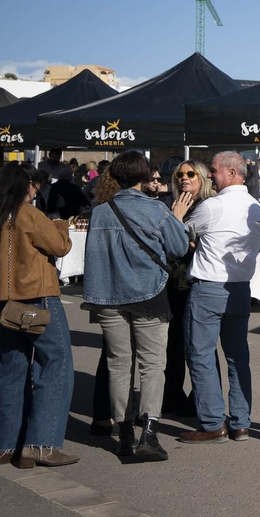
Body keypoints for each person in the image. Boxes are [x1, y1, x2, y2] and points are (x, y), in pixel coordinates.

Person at [83, 150, 190, 462]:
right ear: (145, 177)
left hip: (107, 295)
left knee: (119, 363)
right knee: (152, 363)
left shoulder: (101, 211)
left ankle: (125, 432)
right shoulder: (155, 209)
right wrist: (178, 219)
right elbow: (179, 247)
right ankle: (149, 433)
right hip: (148, 292)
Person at [0, 163, 77, 468]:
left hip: (1, 300)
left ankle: (5, 446)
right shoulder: (28, 213)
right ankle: (41, 444)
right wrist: (61, 225)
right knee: (55, 364)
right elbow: (60, 246)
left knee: (10, 368)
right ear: (25, 186)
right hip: (36, 298)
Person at [180, 152, 260, 443]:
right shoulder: (256, 206)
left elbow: (180, 235)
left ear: (231, 173)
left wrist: (179, 218)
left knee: (201, 355)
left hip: (209, 287)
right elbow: (259, 243)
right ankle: (240, 422)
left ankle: (213, 423)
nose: (209, 176)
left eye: (214, 171)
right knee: (237, 356)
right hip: (240, 287)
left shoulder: (214, 205)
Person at [158, 159, 214, 420]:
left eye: (190, 174)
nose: (184, 178)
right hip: (173, 281)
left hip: (197, 281)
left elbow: (198, 246)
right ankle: (172, 397)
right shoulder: (171, 203)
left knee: (200, 346)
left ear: (201, 178)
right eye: (179, 174)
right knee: (174, 343)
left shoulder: (207, 206)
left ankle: (202, 401)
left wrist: (177, 222)